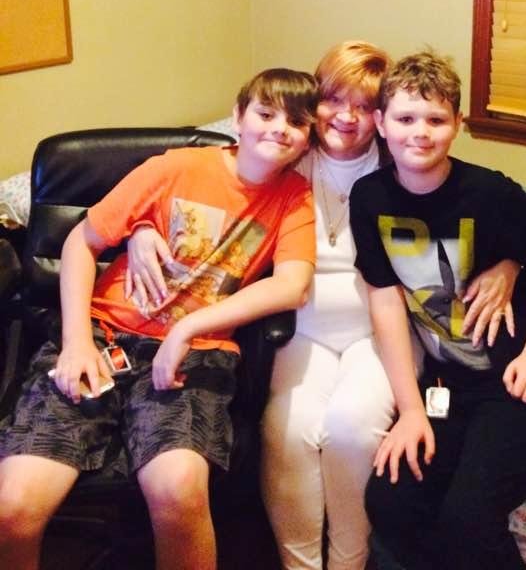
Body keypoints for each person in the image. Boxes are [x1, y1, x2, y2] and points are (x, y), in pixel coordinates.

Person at [125, 41, 520, 570]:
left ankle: (348, 563)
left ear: (381, 116)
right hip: (299, 329)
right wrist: (141, 226)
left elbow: (486, 207)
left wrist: (509, 262)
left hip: (381, 332)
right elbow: (203, 186)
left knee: (351, 430)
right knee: (287, 432)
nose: (347, 117)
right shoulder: (284, 155)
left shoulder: (401, 160)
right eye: (334, 100)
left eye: (364, 105)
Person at [0, 68, 319, 570]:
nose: (279, 128)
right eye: (265, 113)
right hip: (102, 336)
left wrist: (188, 328)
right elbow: (82, 241)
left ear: (308, 138)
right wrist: (77, 341)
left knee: (178, 491)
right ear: (238, 117)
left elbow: (292, 285)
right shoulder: (177, 167)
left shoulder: (294, 196)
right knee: (15, 508)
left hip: (196, 355)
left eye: (296, 122)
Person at [349, 50, 526, 570]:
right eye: (405, 119)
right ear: (380, 123)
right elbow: (385, 299)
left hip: (513, 382)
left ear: (457, 124)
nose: (420, 133)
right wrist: (411, 410)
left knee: (467, 519)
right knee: (390, 502)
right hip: (446, 385)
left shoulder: (491, 193)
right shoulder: (369, 198)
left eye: (435, 120)